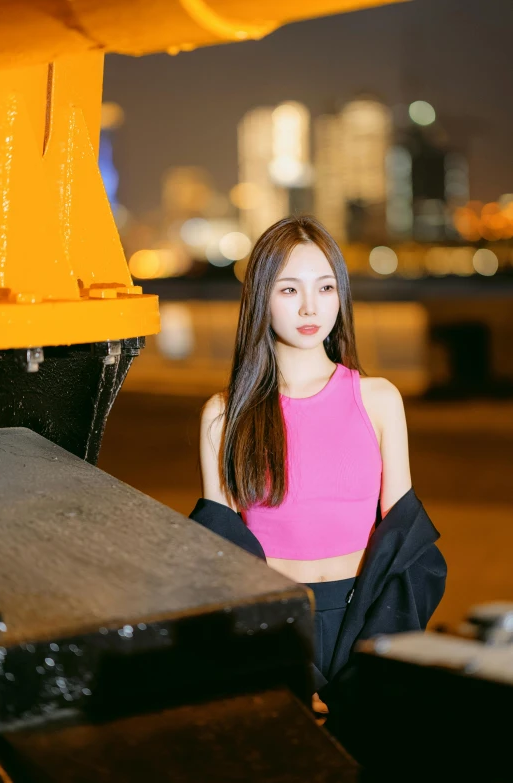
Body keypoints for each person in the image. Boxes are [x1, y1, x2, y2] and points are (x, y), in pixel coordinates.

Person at [197, 215, 430, 721]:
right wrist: (283, 660)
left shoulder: (378, 400)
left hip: (367, 620)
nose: (310, 307)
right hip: (273, 632)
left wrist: (370, 655)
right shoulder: (225, 414)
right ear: (262, 297)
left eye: (325, 287)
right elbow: (219, 556)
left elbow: (405, 547)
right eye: (289, 289)